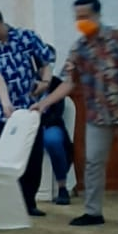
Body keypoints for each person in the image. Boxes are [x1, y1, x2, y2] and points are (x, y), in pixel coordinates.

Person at [32, 0, 118, 226]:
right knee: (93, 162)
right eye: (78, 17)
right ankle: (93, 212)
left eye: (85, 16)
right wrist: (43, 103)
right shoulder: (79, 48)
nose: (81, 21)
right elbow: (69, 82)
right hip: (97, 115)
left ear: (97, 15)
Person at [0, 5, 54, 217]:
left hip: (31, 106)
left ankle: (29, 202)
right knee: (9, 155)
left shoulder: (27, 37)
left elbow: (46, 61)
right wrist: (5, 102)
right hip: (3, 110)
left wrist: (45, 82)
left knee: (32, 154)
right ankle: (10, 201)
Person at [38, 74, 74, 205]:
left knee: (53, 140)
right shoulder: (22, 79)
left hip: (50, 125)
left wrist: (40, 122)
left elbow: (57, 112)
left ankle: (62, 187)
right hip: (24, 125)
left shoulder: (57, 84)